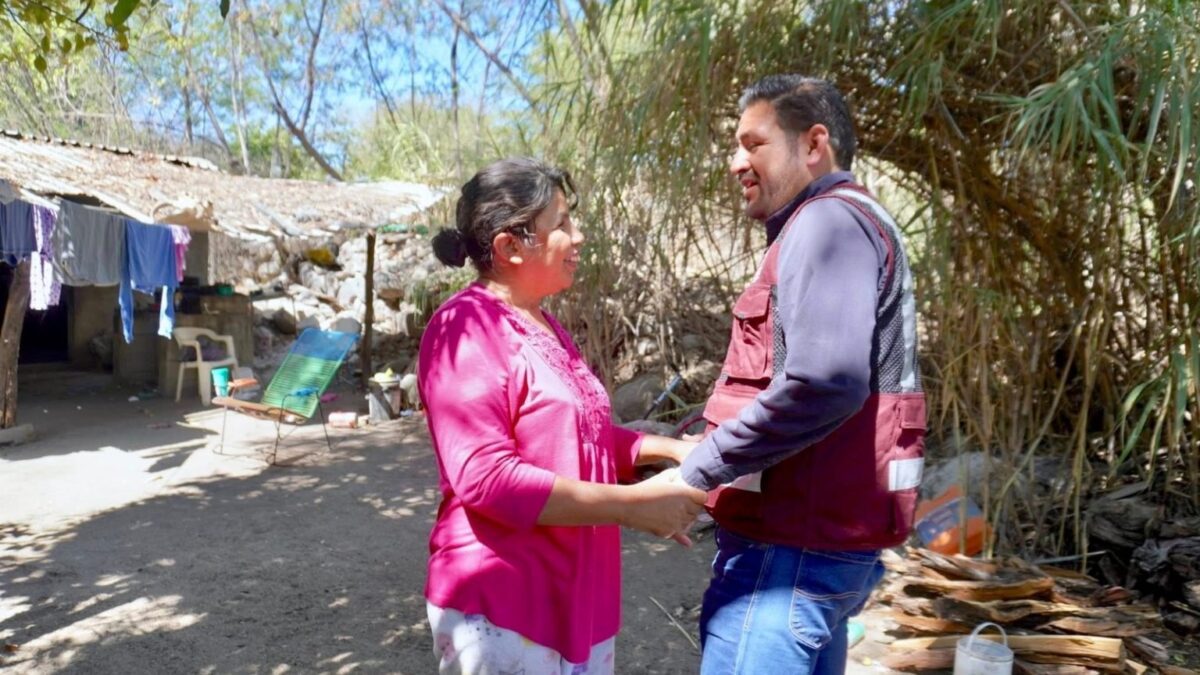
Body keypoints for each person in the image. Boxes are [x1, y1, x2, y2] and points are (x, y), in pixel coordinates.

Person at [677, 75, 926, 674]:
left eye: (753, 143)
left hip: (785, 560)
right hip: (820, 550)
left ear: (813, 146)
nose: (736, 161)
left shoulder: (828, 223)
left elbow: (825, 384)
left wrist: (697, 471)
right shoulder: (854, 220)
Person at [418, 157, 706, 675]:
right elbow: (486, 478)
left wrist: (668, 450)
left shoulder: (545, 324)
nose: (579, 236)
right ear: (510, 247)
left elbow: (580, 434)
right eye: (562, 224)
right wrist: (632, 505)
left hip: (577, 593)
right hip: (506, 600)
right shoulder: (464, 328)